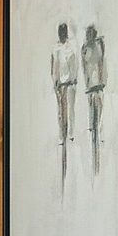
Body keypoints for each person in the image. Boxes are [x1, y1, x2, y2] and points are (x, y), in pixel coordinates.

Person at [50, 22, 80, 186]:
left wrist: (74, 78)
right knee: (61, 110)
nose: (63, 34)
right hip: (60, 84)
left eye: (64, 32)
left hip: (70, 83)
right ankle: (62, 133)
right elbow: (53, 65)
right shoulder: (56, 49)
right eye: (61, 32)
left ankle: (70, 132)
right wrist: (54, 81)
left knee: (70, 109)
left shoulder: (71, 47)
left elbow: (74, 64)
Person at [80, 23, 107, 173]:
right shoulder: (88, 48)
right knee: (94, 107)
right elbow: (86, 67)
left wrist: (99, 80)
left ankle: (97, 130)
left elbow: (100, 64)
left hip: (95, 84)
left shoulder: (95, 46)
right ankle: (95, 129)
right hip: (93, 84)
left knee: (98, 107)